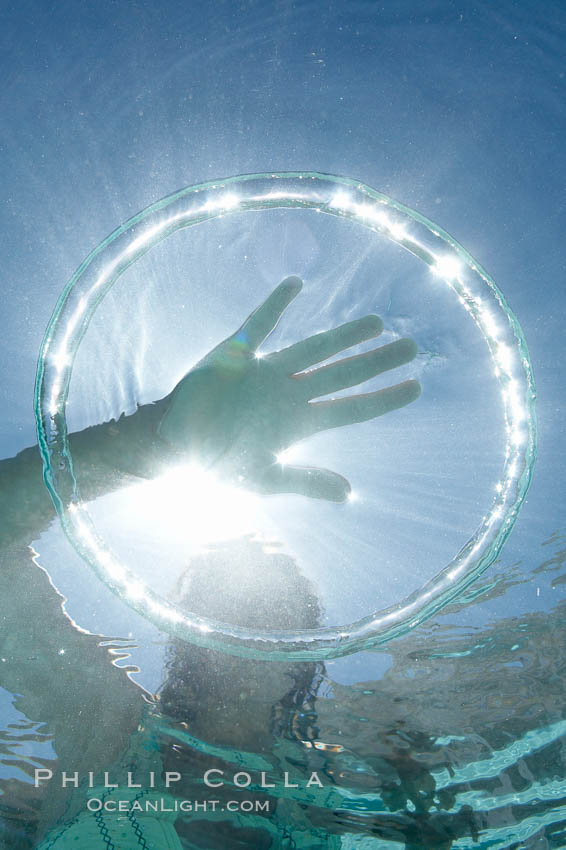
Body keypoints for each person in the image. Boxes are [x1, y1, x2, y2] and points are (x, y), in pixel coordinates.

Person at [0, 277, 420, 848]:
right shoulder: (106, 728)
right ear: (186, 633)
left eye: (272, 616)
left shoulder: (331, 787)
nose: (246, 633)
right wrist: (151, 445)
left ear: (302, 648)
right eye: (224, 612)